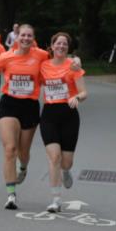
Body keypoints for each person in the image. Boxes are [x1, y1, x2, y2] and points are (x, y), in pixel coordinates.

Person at [0, 24, 48, 210]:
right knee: (10, 148)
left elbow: (55, 71)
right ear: (17, 36)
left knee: (23, 152)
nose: (26, 38)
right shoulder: (6, 56)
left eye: (29, 36)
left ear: (33, 38)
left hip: (29, 106)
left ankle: (23, 167)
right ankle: (11, 194)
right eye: (23, 35)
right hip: (10, 104)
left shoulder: (42, 56)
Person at [39, 32, 87, 213]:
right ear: (51, 46)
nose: (61, 47)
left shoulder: (73, 66)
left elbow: (84, 92)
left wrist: (77, 97)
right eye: (58, 44)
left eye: (65, 45)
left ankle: (66, 172)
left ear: (68, 48)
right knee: (54, 157)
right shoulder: (43, 66)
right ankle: (55, 199)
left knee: (66, 162)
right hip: (49, 115)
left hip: (69, 115)